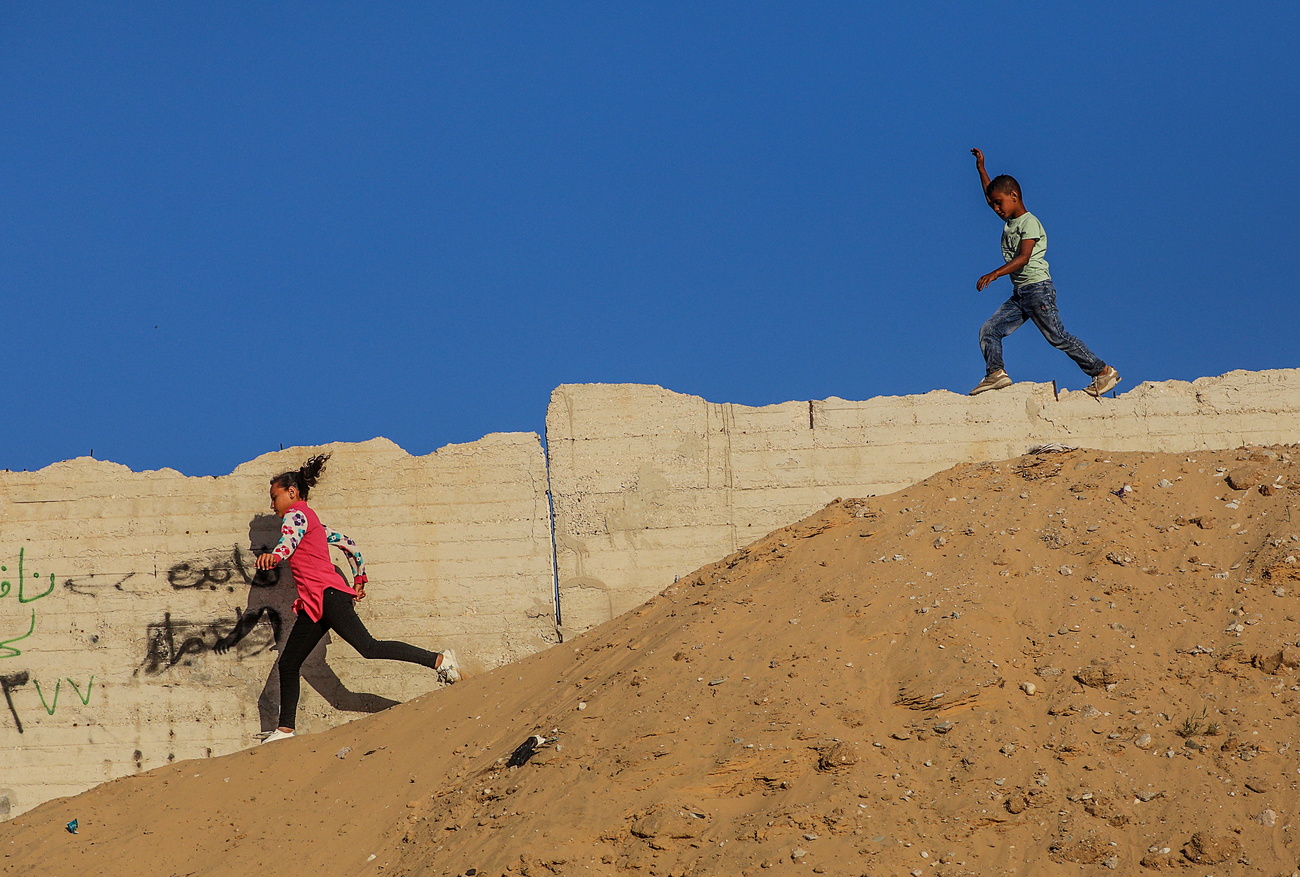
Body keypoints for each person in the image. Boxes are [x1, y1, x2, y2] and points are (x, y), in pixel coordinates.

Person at [254, 453, 459, 743]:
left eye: (274, 497)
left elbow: (287, 544)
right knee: (289, 663)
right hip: (316, 604)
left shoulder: (296, 515)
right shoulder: (311, 522)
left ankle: (439, 661)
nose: (272, 504)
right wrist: (359, 577)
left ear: (292, 492)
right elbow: (347, 544)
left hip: (329, 597)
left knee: (369, 647)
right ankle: (285, 730)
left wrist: (274, 556)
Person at [967, 148, 1120, 398]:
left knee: (1057, 336)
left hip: (1038, 289)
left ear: (1014, 196)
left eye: (999, 202)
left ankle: (1103, 372)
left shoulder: (1029, 222)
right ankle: (995, 373)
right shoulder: (1010, 222)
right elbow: (989, 194)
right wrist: (981, 168)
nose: (995, 208)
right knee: (989, 329)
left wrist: (994, 274)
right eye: (992, 203)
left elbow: (1023, 258)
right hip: (1021, 294)